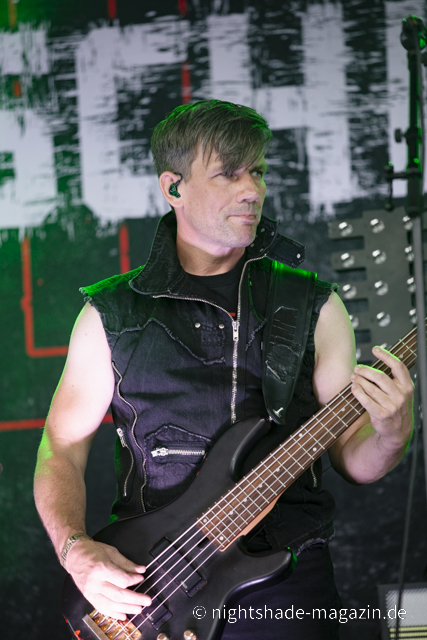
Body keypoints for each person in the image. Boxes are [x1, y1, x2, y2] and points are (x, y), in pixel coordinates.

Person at [34, 100, 414, 639]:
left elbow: (353, 459)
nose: (252, 190)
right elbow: (61, 448)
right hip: (151, 590)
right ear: (173, 186)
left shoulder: (314, 304)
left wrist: (393, 433)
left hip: (288, 586)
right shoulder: (110, 313)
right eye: (229, 174)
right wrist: (76, 552)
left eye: (257, 171)